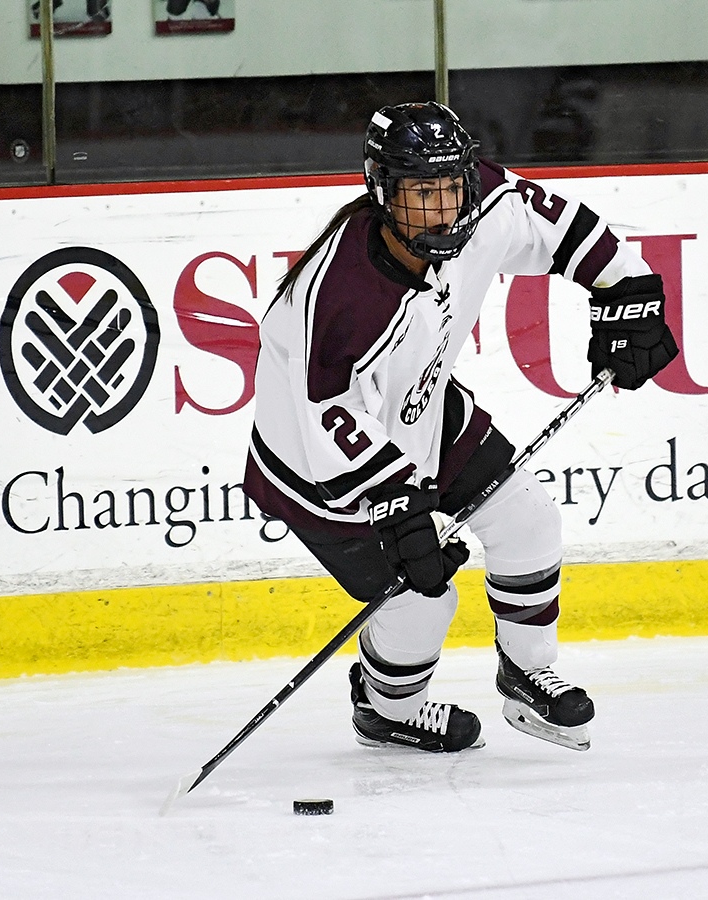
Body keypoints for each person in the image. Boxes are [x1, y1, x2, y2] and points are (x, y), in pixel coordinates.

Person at [243, 102, 678, 753]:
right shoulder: (340, 293)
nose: (443, 208)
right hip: (316, 469)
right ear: (382, 189)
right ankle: (389, 708)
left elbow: (555, 224)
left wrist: (628, 293)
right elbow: (326, 415)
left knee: (528, 518)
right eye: (422, 191)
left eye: (451, 187)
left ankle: (527, 669)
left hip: (422, 407)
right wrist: (401, 512)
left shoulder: (479, 204)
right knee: (423, 600)